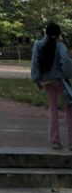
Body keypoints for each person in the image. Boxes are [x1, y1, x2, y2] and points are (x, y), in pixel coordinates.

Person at [31, 21, 72, 150]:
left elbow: (35, 63)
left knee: (53, 109)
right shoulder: (60, 46)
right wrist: (66, 74)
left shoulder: (38, 45)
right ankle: (71, 142)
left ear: (46, 33)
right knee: (69, 110)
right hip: (60, 80)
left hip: (46, 81)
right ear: (59, 33)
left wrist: (37, 79)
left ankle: (55, 140)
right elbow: (65, 61)